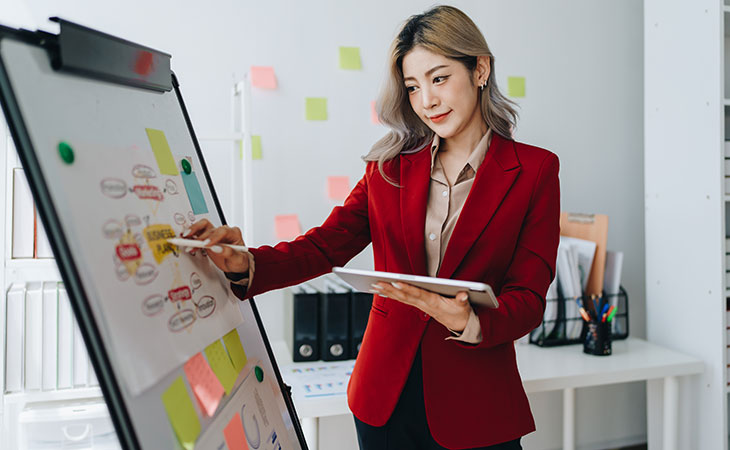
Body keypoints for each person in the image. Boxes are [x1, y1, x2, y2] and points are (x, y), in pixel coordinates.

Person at [185, 5, 560, 450]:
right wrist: (246, 263)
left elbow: (530, 297)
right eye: (413, 86)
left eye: (439, 78)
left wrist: (471, 321)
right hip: (385, 397)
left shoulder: (535, 170)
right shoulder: (389, 167)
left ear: (480, 69)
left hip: (476, 403)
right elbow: (326, 245)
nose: (427, 101)